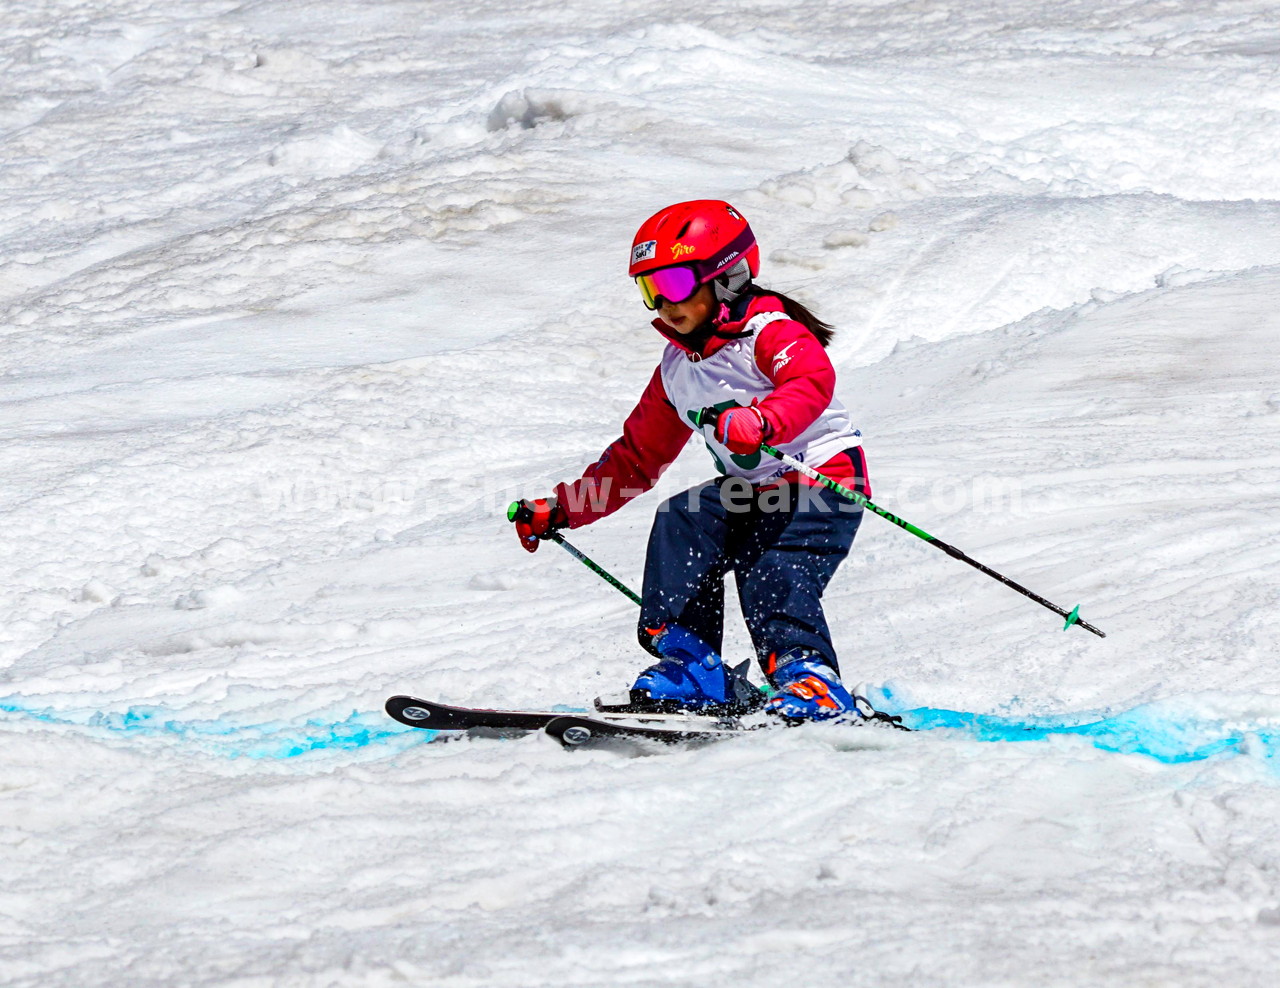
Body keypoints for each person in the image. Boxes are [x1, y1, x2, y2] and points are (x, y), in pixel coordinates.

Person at [510, 199, 871, 722]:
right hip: (756, 491)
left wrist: (763, 422)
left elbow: (809, 383)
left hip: (823, 480)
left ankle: (810, 680)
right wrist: (564, 509)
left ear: (727, 276)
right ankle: (693, 665)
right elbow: (635, 458)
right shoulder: (678, 367)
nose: (663, 304)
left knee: (773, 571)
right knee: (683, 518)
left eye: (675, 284)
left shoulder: (771, 331)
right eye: (648, 291)